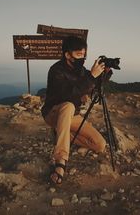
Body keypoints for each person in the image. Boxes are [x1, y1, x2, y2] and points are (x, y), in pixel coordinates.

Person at [41, 36, 107, 185]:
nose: (82, 58)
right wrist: (91, 76)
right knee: (69, 105)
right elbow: (68, 94)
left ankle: (62, 133)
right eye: (78, 54)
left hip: (72, 116)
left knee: (100, 145)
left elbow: (91, 86)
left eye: (84, 54)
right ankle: (60, 161)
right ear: (67, 55)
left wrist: (103, 75)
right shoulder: (56, 70)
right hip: (53, 113)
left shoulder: (82, 71)